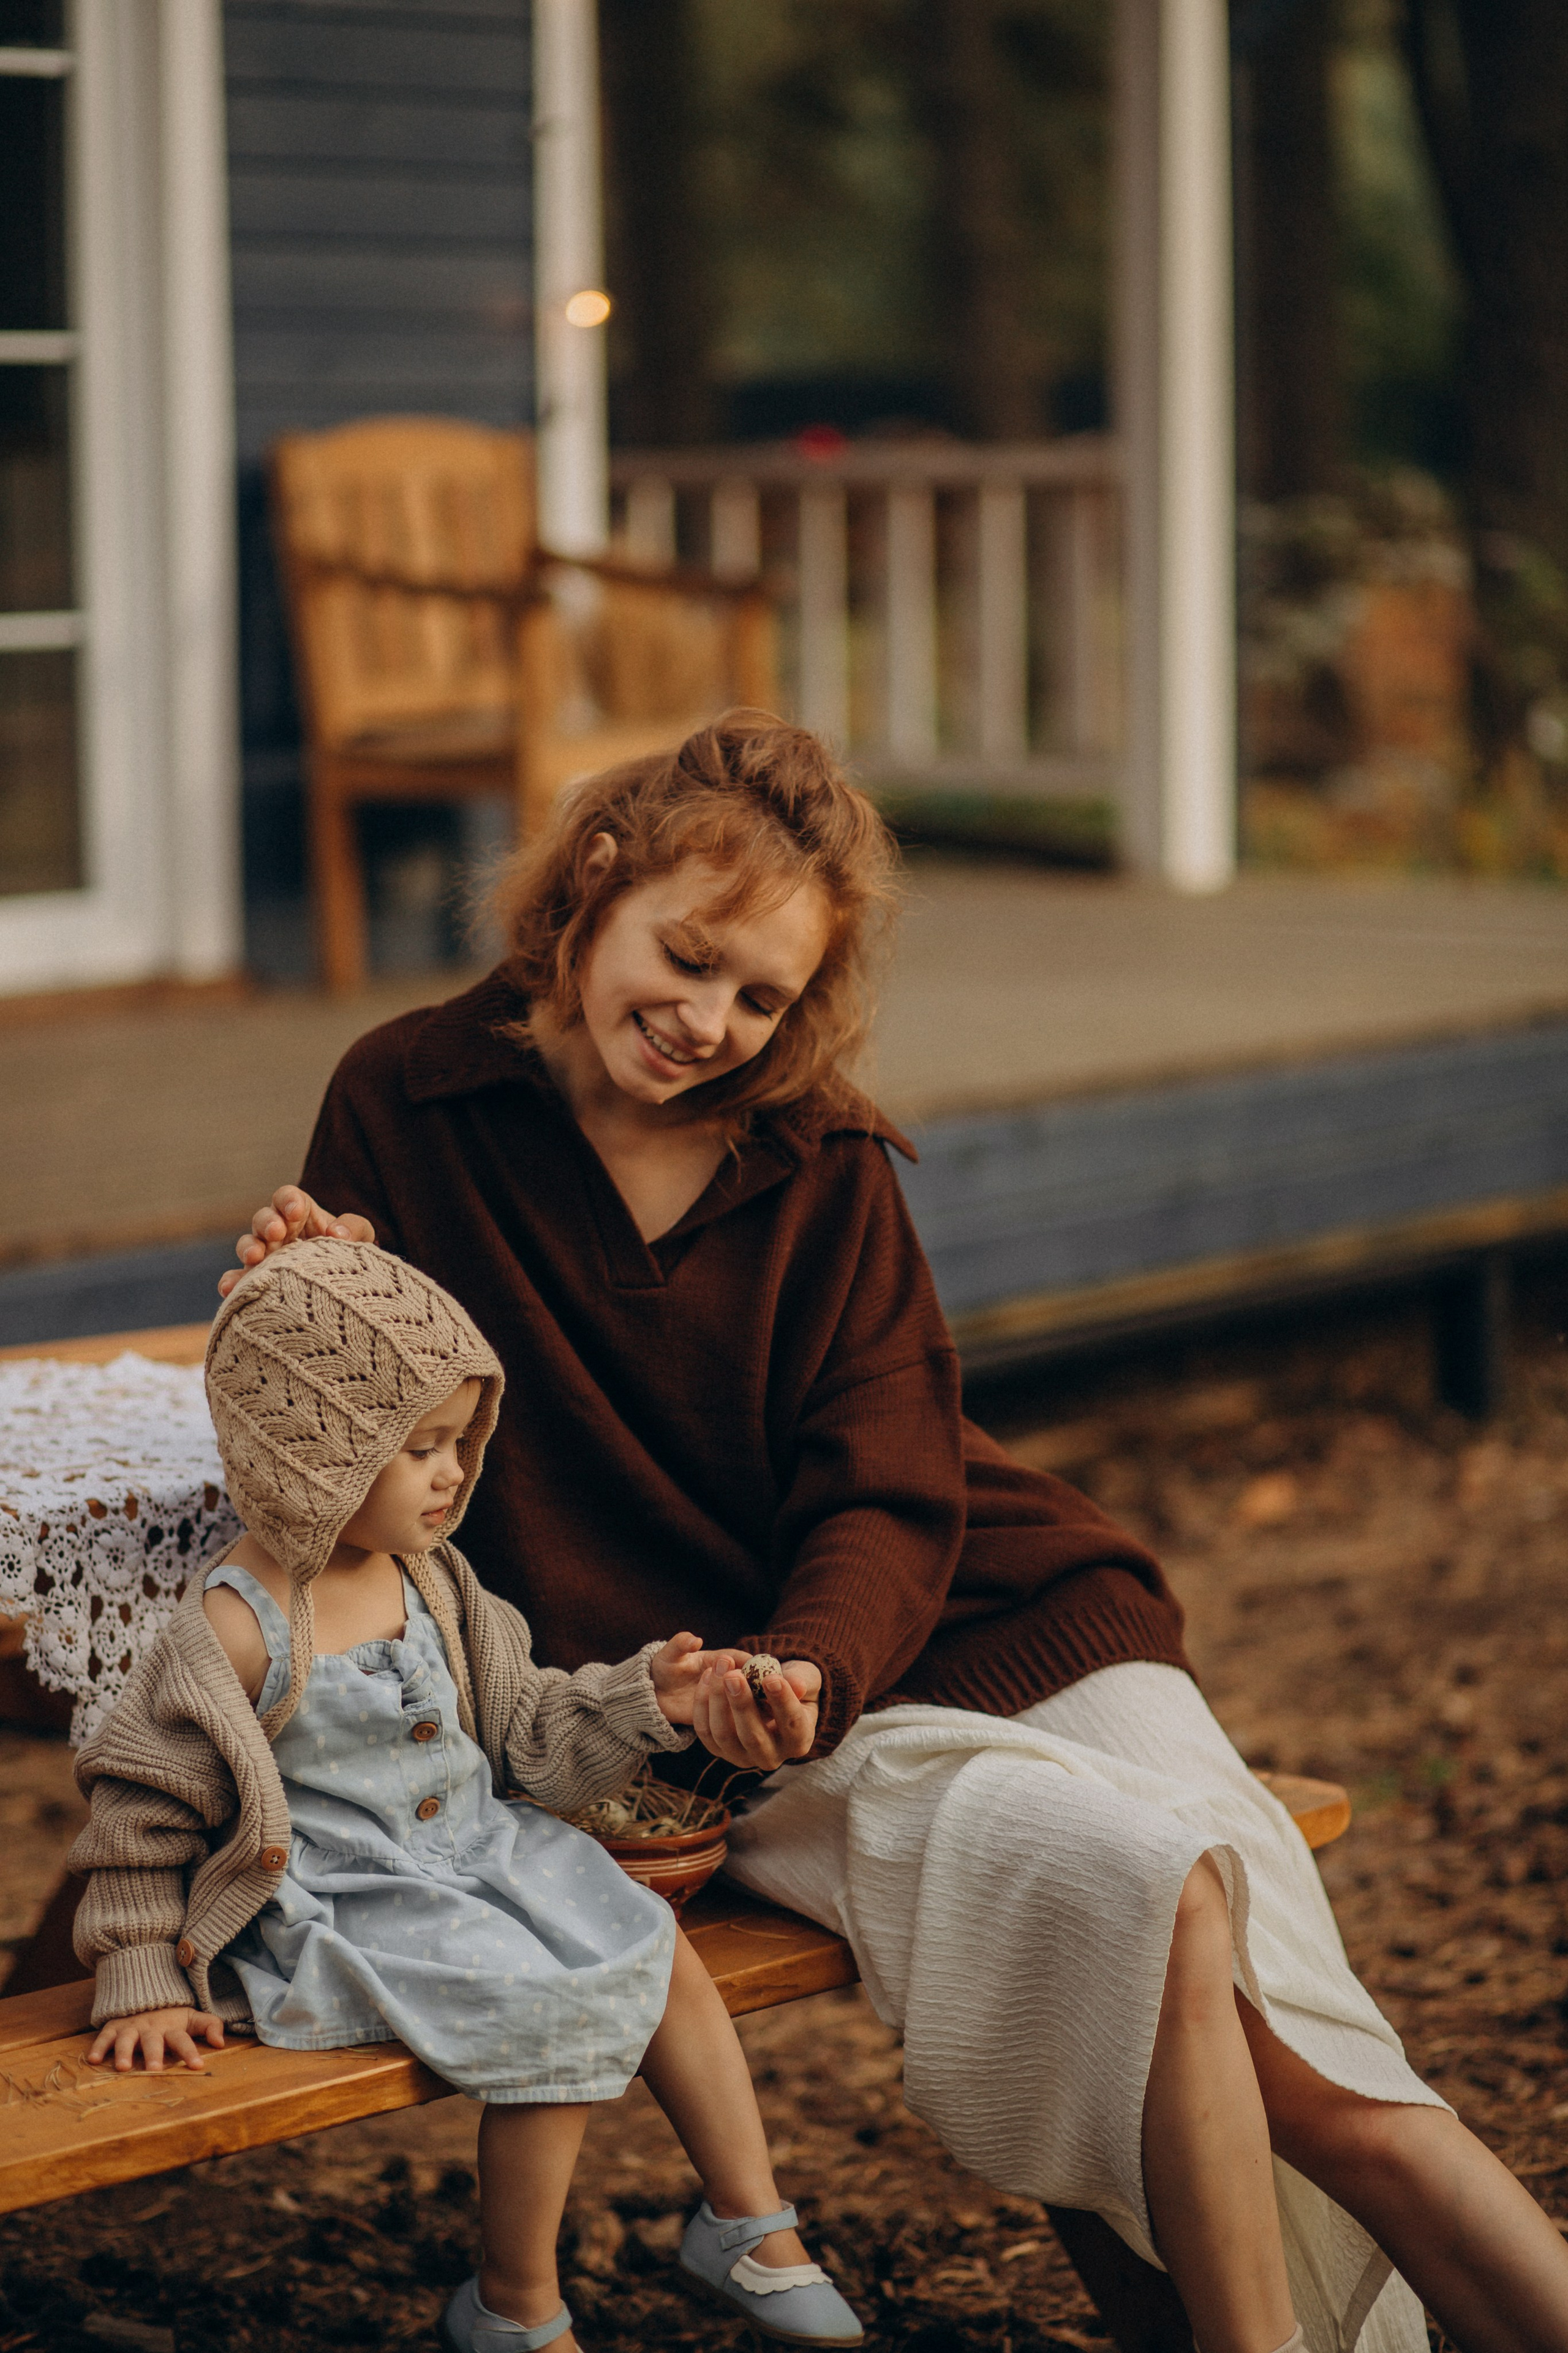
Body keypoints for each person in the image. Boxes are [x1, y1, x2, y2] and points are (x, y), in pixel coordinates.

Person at [225, 712, 1568, 2353]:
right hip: (701, 1706)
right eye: (688, 956)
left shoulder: (819, 1158)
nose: (707, 1022)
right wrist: (311, 1306)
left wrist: (814, 1662)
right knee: (1175, 1904)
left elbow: (888, 1484)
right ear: (592, 882)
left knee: (1308, 2033)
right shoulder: (407, 1104)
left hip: (971, 1623)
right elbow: (361, 1467)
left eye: (761, 997)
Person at [70, 1237, 865, 2353]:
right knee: (548, 2018)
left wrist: (654, 1697)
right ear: (317, 1461)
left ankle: (751, 2223)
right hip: (355, 1899)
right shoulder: (237, 1630)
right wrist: (143, 1974)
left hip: (489, 1853)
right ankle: (515, 2304)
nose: (454, 1473)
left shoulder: (434, 1578)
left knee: (657, 1948)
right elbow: (140, 1817)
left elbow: (532, 1733)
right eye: (421, 1449)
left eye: (459, 1442)